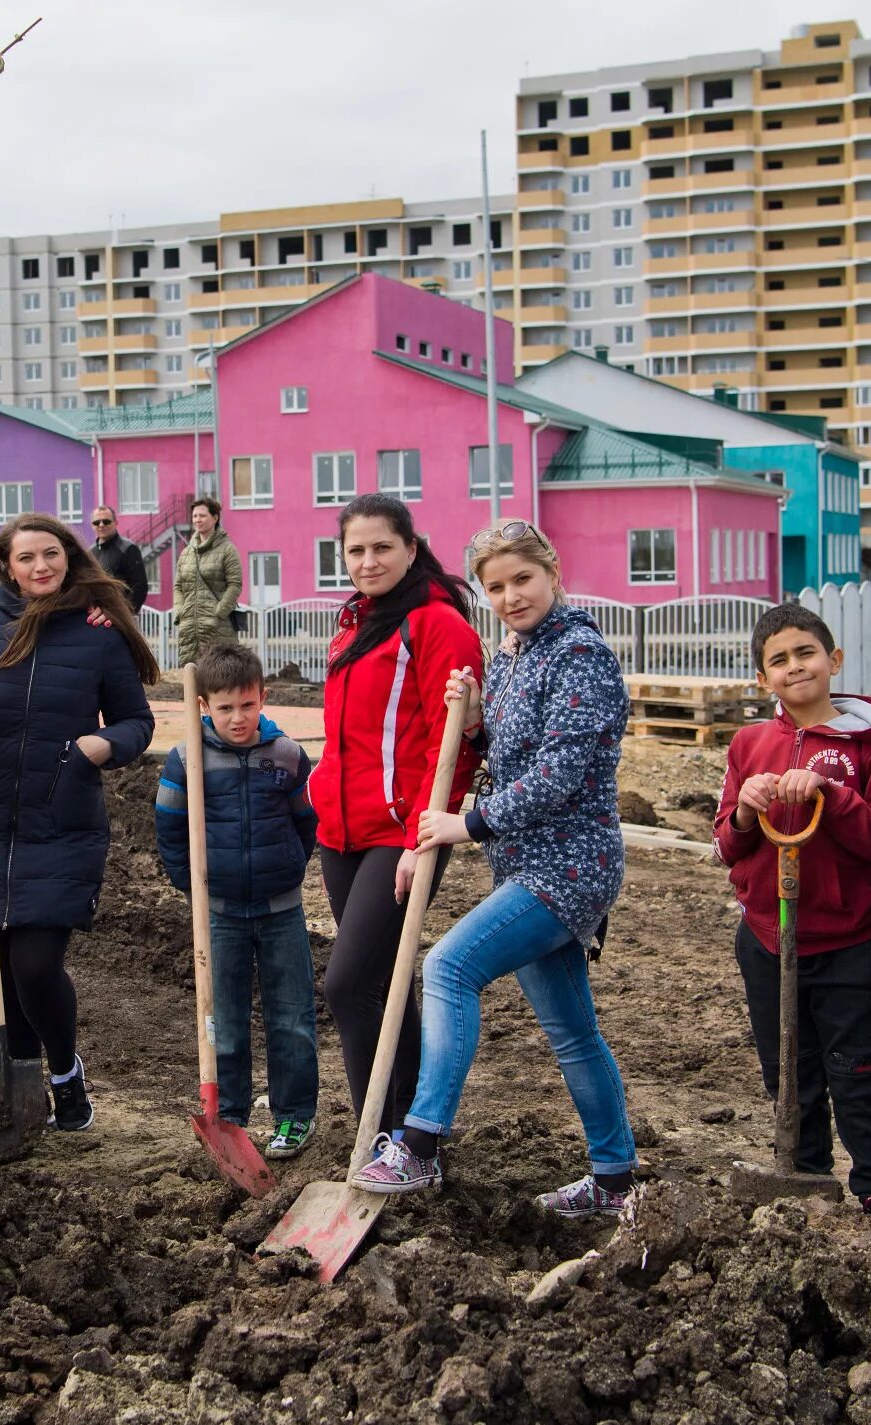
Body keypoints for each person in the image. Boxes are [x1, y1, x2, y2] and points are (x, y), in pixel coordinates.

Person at [350, 521, 637, 1214]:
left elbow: (560, 773)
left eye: (522, 579)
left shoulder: (579, 654)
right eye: (496, 585)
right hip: (525, 862)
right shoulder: (510, 655)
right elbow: (510, 751)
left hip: (570, 864)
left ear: (552, 570)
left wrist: (464, 822)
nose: (511, 596)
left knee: (448, 967)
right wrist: (476, 721)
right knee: (572, 1029)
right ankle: (615, 1180)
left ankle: (417, 1147)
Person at [0, 513, 157, 1130]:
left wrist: (101, 746)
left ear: (69, 557)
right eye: (26, 558)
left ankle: (63, 1071)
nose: (41, 567)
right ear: (6, 566)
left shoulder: (97, 633)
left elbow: (138, 722)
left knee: (34, 965)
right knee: (4, 971)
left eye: (50, 555)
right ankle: (26, 1086)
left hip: (62, 821)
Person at [713, 603, 871, 1218]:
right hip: (769, 938)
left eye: (805, 653)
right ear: (761, 679)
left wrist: (834, 795)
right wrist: (746, 809)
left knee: (858, 1075)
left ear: (835, 660)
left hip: (848, 941)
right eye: (779, 660)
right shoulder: (751, 744)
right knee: (789, 1074)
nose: (794, 667)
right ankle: (805, 1184)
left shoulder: (869, 747)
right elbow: (727, 842)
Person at [310, 493, 483, 1136]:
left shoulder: (437, 625)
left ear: (412, 549)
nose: (368, 559)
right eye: (355, 550)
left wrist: (421, 839)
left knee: (348, 984)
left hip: (402, 834)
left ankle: (378, 1133)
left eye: (382, 546)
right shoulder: (355, 623)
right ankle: (410, 1137)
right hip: (341, 833)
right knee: (382, 982)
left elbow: (454, 742)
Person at [155, 642, 319, 1158]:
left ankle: (294, 1117)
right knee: (221, 1017)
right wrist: (192, 888)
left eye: (247, 705)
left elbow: (305, 821)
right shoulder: (187, 761)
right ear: (204, 706)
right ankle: (229, 1116)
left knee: (291, 1016)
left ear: (262, 698)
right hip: (219, 914)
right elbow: (169, 830)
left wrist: (290, 864)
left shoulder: (288, 754)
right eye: (225, 707)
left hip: (281, 909)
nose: (238, 717)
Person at [171, 496, 241, 665]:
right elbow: (178, 585)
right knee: (192, 674)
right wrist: (180, 610)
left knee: (220, 674)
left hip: (218, 627)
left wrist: (219, 612)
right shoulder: (187, 552)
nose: (197, 520)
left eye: (202, 515)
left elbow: (235, 584)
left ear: (215, 518)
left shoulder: (227, 549)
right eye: (194, 516)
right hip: (190, 628)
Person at [91, 506, 149, 612]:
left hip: (121, 617)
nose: (101, 525)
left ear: (115, 523)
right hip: (96, 618)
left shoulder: (128, 549)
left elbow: (140, 586)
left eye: (106, 521)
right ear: (92, 526)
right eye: (96, 522)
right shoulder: (90, 552)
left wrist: (125, 614)